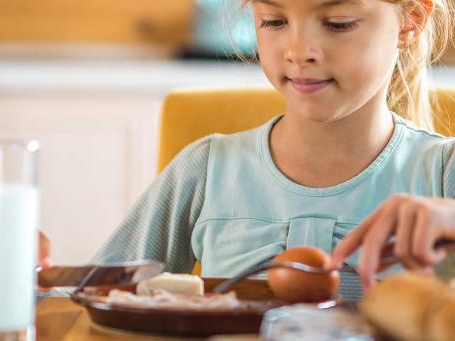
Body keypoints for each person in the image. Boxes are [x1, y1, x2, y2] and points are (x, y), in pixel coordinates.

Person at [40, 0, 455, 292]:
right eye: (274, 21)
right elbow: (91, 300)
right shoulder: (205, 170)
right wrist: (27, 277)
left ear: (410, 22)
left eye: (338, 22)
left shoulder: (442, 173)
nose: (298, 51)